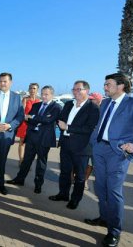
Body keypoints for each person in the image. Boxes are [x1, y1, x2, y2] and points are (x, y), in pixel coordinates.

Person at [84, 73, 133, 247]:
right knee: (100, 187)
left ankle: (114, 232)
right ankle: (104, 218)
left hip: (118, 153)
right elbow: (102, 124)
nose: (105, 87)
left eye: (108, 84)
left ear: (121, 86)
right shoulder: (106, 102)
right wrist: (93, 140)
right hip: (99, 149)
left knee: (113, 191)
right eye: (105, 84)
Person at [49, 81, 99, 209]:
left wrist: (68, 127)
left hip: (81, 147)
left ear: (86, 91)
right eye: (74, 89)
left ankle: (75, 200)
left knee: (80, 177)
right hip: (65, 144)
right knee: (65, 172)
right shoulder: (69, 104)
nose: (75, 91)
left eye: (78, 89)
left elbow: (89, 128)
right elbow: (60, 118)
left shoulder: (92, 108)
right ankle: (63, 194)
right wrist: (62, 124)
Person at [7, 86, 61, 194]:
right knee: (26, 160)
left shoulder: (57, 107)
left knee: (41, 163)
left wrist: (33, 118)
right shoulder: (36, 105)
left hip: (44, 139)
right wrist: (34, 119)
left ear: (52, 95)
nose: (44, 96)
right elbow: (27, 120)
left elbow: (48, 120)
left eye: (46, 94)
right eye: (43, 93)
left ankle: (38, 185)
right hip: (32, 136)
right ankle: (19, 179)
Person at [16, 83, 40, 166]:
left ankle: (27, 162)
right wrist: (26, 116)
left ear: (37, 90)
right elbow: (21, 112)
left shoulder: (39, 101)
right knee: (22, 142)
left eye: (34, 88)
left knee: (30, 144)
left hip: (34, 125)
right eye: (30, 88)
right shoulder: (25, 99)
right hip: (25, 123)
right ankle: (21, 160)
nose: (32, 90)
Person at [84, 92, 103, 190]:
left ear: (98, 100)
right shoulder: (86, 108)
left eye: (92, 99)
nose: (90, 101)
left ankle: (85, 180)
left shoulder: (103, 111)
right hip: (83, 140)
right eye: (89, 99)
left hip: (95, 143)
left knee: (90, 163)